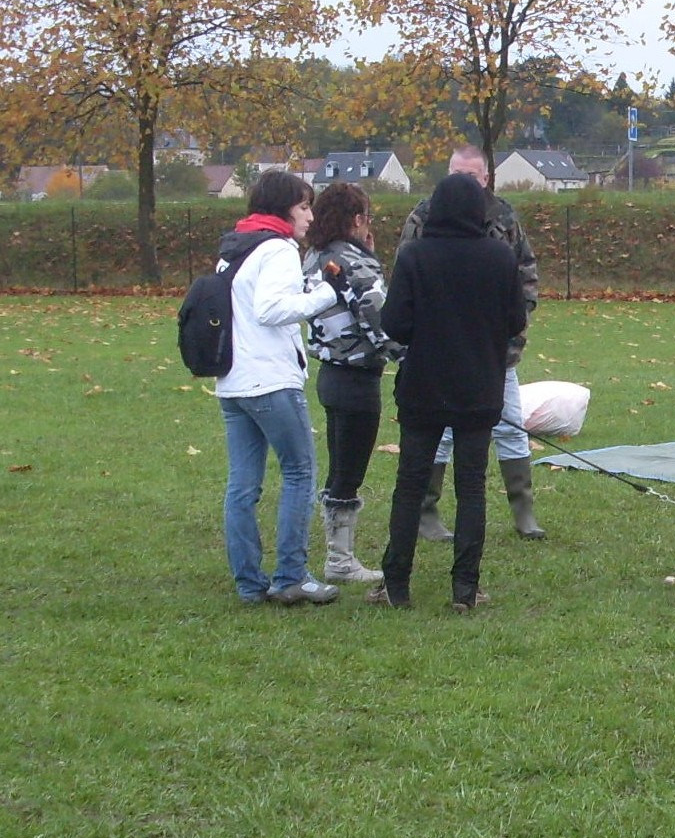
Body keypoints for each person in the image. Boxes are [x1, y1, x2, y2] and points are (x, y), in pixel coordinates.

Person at [372, 173, 527, 610]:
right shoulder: (498, 256)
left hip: (424, 385)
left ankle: (396, 583)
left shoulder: (415, 255)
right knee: (472, 487)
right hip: (479, 385)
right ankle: (464, 588)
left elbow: (395, 324)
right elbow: (516, 319)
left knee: (410, 485)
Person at [398, 145, 545, 542]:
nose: (464, 183)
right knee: (442, 433)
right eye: (456, 174)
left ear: (486, 178)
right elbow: (404, 280)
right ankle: (427, 511)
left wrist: (515, 325)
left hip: (495, 352)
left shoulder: (505, 216)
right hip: (438, 353)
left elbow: (525, 274)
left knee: (512, 426)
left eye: (472, 176)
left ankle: (523, 511)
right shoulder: (422, 218)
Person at [214, 171, 343, 605]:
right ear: (283, 208)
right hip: (270, 379)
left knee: (243, 486)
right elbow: (271, 310)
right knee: (299, 472)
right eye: (304, 206)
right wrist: (325, 295)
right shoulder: (278, 248)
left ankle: (250, 585)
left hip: (233, 381)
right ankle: (291, 575)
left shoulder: (235, 247)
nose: (309, 215)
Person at [302, 183, 403, 584]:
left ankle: (338, 555)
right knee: (348, 469)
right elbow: (379, 318)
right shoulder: (354, 261)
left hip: (330, 372)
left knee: (342, 462)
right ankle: (339, 559)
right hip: (356, 375)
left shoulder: (314, 256)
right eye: (368, 217)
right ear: (358, 219)